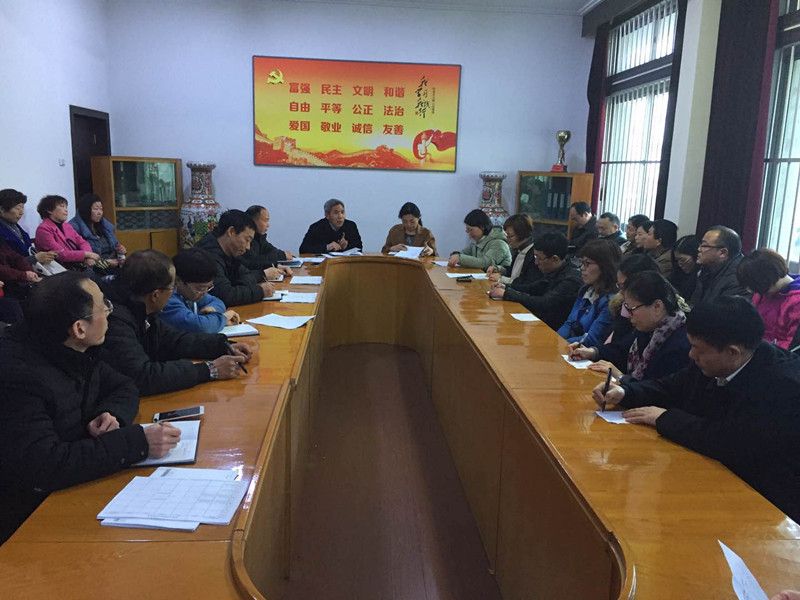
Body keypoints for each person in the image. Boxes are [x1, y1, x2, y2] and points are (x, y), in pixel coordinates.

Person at [0, 271, 181, 543]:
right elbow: (44, 466)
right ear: (79, 328)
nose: (110, 312)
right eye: (103, 306)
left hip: (71, 486)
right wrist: (137, 442)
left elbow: (124, 386)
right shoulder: (18, 377)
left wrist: (110, 414)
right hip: (27, 520)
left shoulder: (75, 349)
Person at [592, 296, 800, 523]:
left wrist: (665, 418)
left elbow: (732, 442)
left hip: (762, 505)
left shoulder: (784, 387)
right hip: (711, 478)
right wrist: (625, 392)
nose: (691, 355)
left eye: (697, 349)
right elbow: (671, 386)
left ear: (732, 352)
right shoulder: (714, 360)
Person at [101, 249, 252, 396]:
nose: (174, 291)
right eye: (172, 287)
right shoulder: (116, 322)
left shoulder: (142, 309)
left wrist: (222, 346)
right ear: (155, 295)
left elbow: (173, 340)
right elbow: (143, 376)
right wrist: (209, 370)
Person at [580, 271, 689, 382]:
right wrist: (593, 352)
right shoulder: (648, 328)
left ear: (657, 307)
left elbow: (657, 388)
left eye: (631, 309)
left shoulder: (678, 345)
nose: (628, 315)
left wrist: (621, 377)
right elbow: (621, 350)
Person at [568, 253, 661, 369]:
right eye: (619, 286)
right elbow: (619, 347)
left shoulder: (651, 318)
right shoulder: (622, 305)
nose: (621, 292)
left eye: (625, 287)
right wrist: (594, 352)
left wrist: (621, 376)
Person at [490, 232, 582, 329]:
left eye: (539, 258)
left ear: (555, 259)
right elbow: (533, 288)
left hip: (555, 329)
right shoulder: (554, 271)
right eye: (535, 257)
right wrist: (506, 287)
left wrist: (507, 294)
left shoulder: (571, 279)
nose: (536, 262)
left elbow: (544, 303)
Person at [197, 209, 276, 307]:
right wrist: (260, 291)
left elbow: (246, 275)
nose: (248, 247)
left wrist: (240, 285)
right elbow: (226, 295)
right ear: (231, 232)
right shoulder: (207, 256)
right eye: (247, 240)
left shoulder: (231, 253)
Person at [557, 239, 621, 346]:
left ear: (605, 266)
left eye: (587, 263)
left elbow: (592, 339)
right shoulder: (586, 290)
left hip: (587, 351)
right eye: (582, 263)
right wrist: (555, 340)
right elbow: (569, 323)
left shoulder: (611, 300)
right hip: (571, 346)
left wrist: (560, 344)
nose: (582, 268)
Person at [161, 248, 240, 334]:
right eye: (200, 288)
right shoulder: (167, 299)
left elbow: (217, 302)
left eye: (209, 287)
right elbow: (200, 326)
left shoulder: (192, 293)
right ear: (178, 281)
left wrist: (212, 309)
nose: (204, 293)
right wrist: (223, 318)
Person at [737, 248, 800, 350]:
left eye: (755, 286)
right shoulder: (763, 292)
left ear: (768, 278)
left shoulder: (796, 302)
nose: (751, 291)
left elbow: (792, 345)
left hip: (776, 354)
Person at [34, 195, 100, 269]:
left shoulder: (66, 226)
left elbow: (82, 242)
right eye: (62, 206)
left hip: (76, 266)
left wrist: (89, 257)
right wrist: (86, 254)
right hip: (60, 270)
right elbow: (61, 254)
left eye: (66, 207)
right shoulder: (43, 229)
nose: (66, 210)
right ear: (49, 210)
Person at [691, 225, 751, 305]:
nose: (699, 249)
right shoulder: (707, 269)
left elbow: (722, 312)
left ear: (722, 253)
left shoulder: (739, 278)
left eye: (704, 245)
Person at [68, 193, 126, 271]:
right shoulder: (73, 227)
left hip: (114, 265)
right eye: (96, 209)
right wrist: (106, 262)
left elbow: (116, 245)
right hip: (94, 270)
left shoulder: (105, 226)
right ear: (86, 210)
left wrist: (120, 250)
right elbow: (79, 259)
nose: (99, 213)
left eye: (101, 209)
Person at [0, 188, 57, 266]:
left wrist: (43, 256)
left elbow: (27, 251)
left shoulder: (15, 226)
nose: (21, 212)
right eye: (18, 208)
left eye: (22, 207)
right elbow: (6, 264)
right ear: (2, 209)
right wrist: (35, 258)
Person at [447, 209, 511, 271]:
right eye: (467, 230)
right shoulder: (477, 241)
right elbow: (463, 253)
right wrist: (455, 255)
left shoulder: (499, 243)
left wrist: (459, 258)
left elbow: (485, 263)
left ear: (482, 227)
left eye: (470, 230)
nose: (469, 234)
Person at [487, 213, 538, 286]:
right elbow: (513, 272)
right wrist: (499, 268)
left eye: (510, 236)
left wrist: (501, 278)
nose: (508, 240)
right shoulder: (518, 249)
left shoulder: (534, 255)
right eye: (507, 236)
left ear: (522, 234)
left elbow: (527, 283)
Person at [240, 205, 295, 271]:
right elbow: (253, 261)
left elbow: (270, 250)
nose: (268, 225)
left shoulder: (259, 237)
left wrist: (279, 260)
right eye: (266, 220)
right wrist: (282, 255)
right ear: (253, 221)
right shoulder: (245, 239)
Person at [669, 235, 700, 300]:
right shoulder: (677, 273)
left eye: (683, 260)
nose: (679, 264)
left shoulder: (701, 277)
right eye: (676, 260)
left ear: (696, 256)